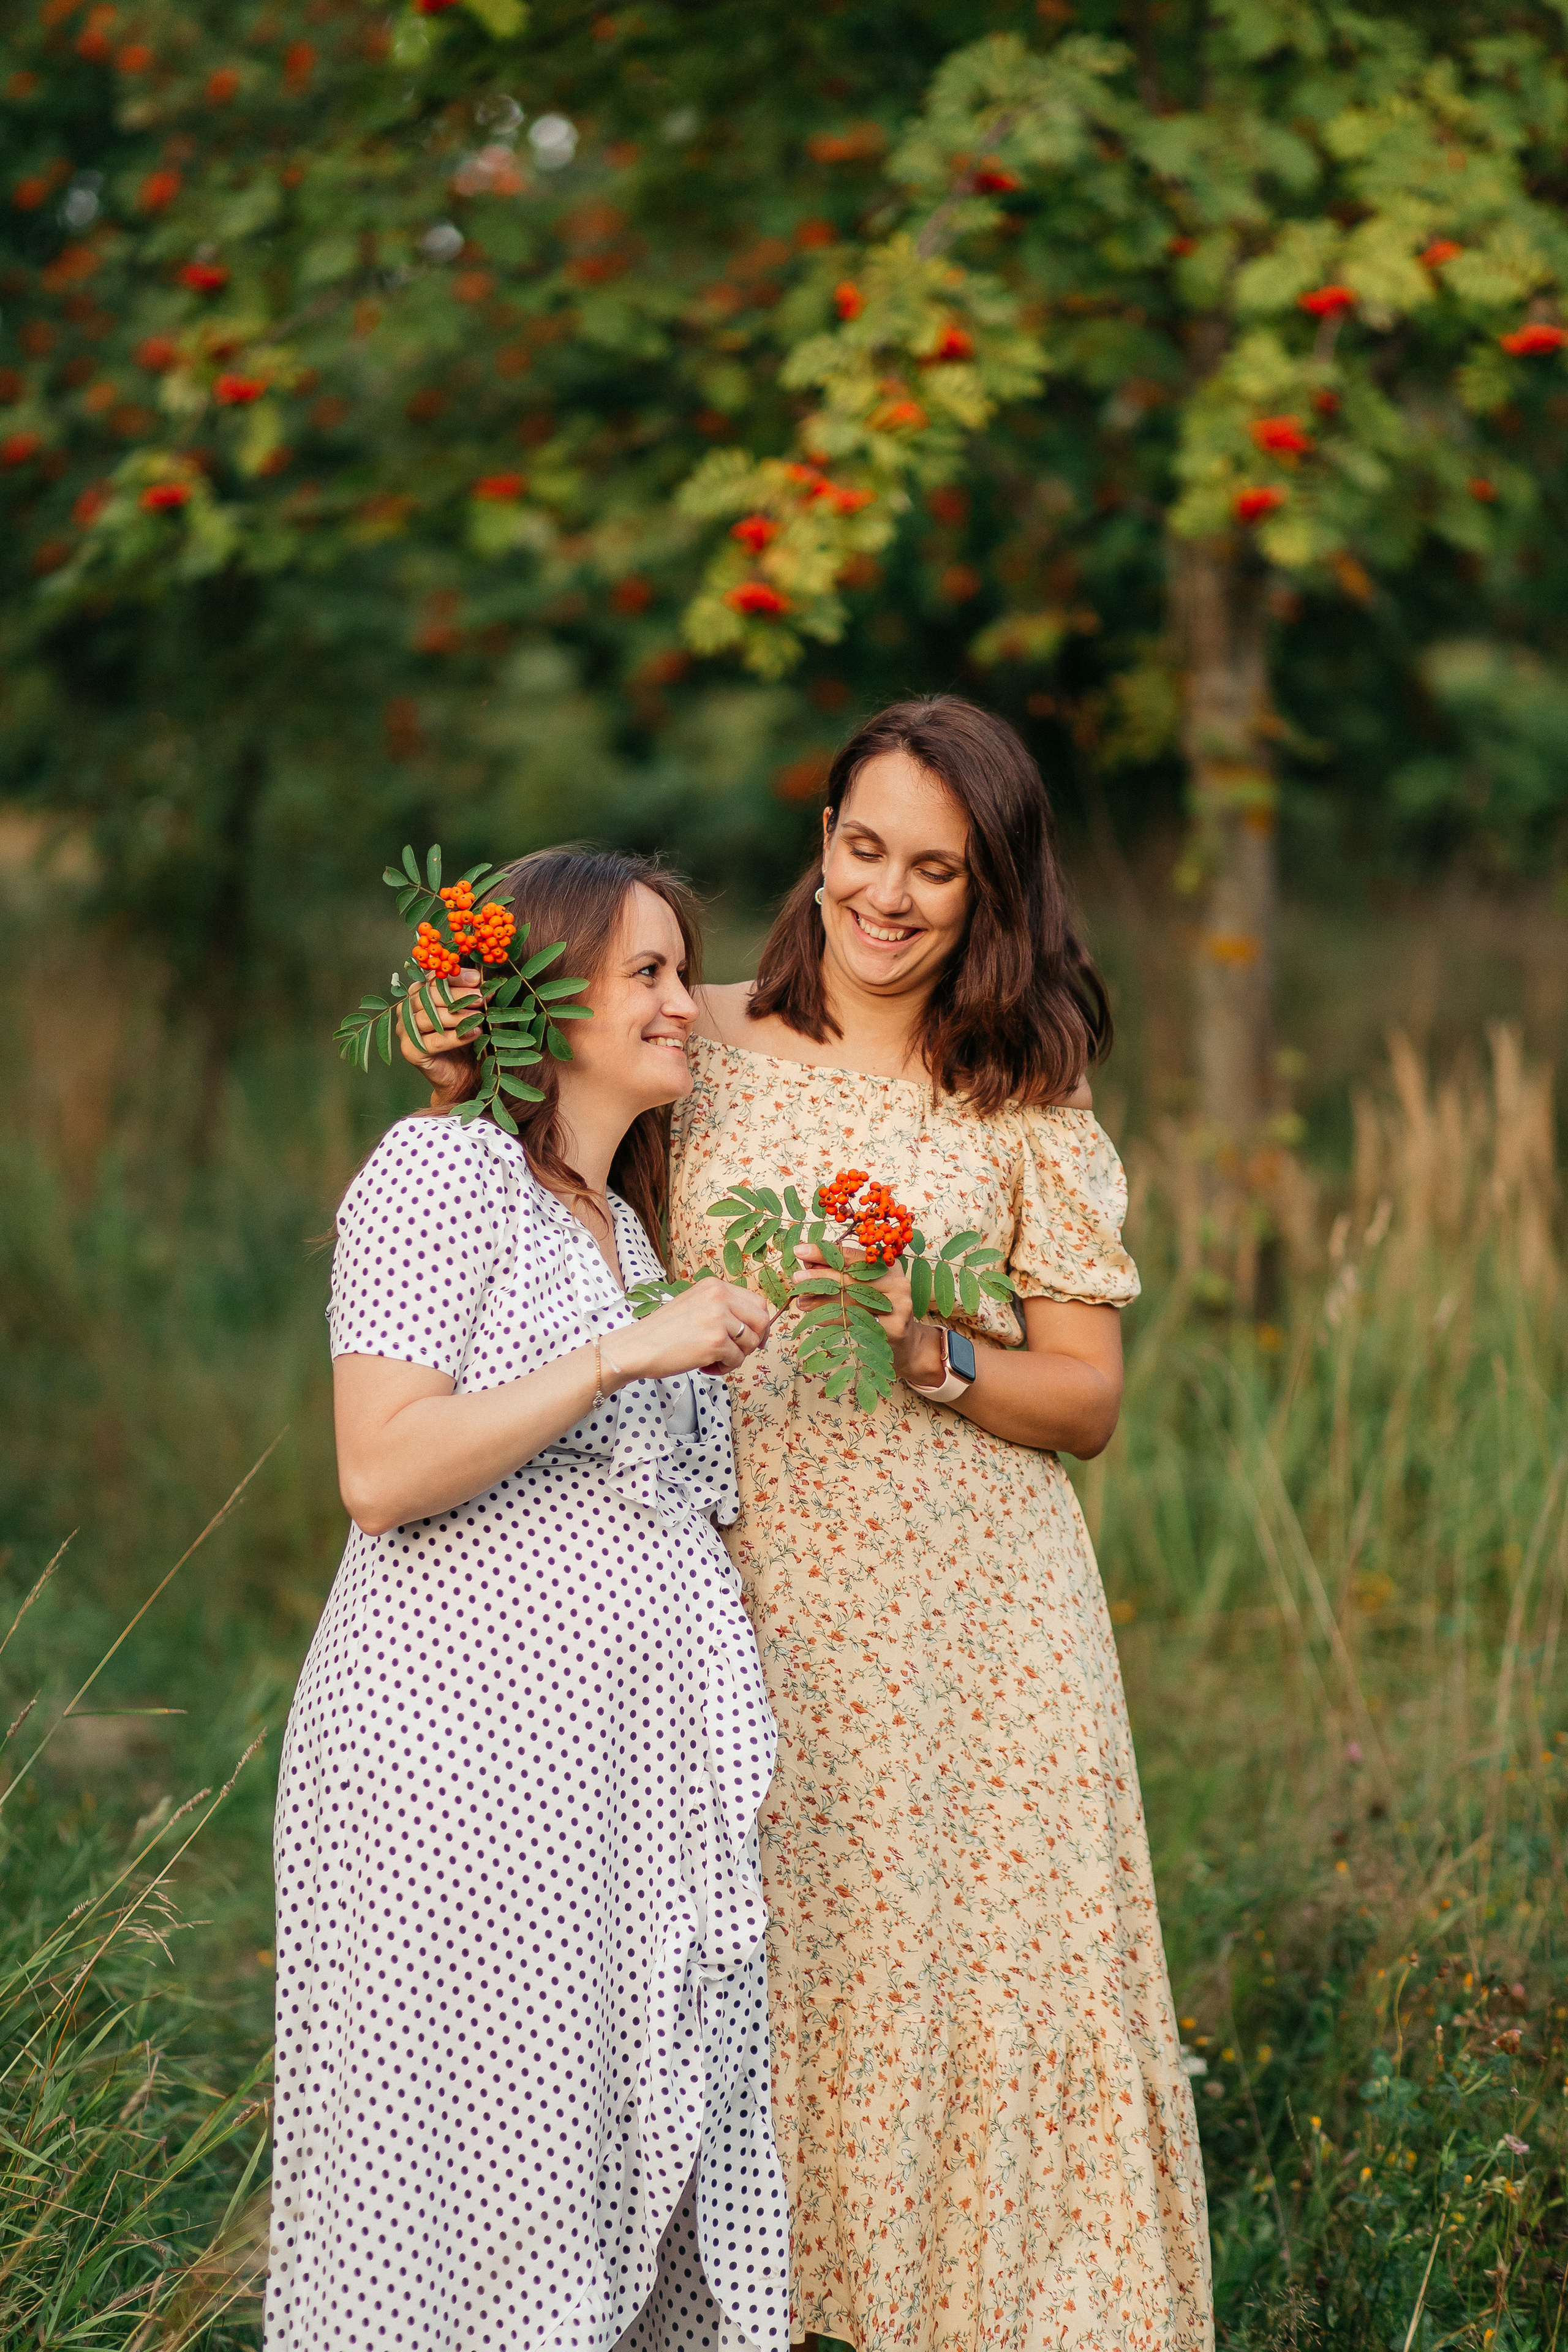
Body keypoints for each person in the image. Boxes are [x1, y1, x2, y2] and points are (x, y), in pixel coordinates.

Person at [407, 701, 1212, 2352]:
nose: (891, 898)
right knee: (756, 1991)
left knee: (981, 1991)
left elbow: (1085, 1402)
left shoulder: (1023, 1104)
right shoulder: (689, 1041)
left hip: (980, 1632)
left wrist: (934, 1346)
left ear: (996, 890)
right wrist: (449, 1047)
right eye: (864, 849)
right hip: (748, 1598)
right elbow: (516, 1158)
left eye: (938, 869)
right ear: (822, 840)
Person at [268, 849, 791, 2352]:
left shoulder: (615, 1227)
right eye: (643, 974)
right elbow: (381, 1468)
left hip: (615, 1780)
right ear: (546, 1000)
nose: (679, 1002)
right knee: (467, 2177)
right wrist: (627, 1356)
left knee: (595, 2163)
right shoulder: (443, 1171)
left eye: (682, 969)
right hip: (460, 1763)